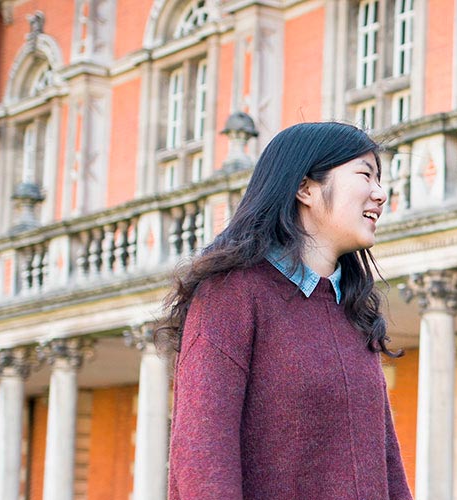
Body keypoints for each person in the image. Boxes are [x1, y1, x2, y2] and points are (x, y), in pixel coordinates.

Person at [161, 122, 410, 499]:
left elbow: (388, 464)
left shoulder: (354, 312)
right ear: (305, 188)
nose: (380, 193)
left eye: (380, 179)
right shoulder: (232, 295)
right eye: (365, 175)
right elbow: (202, 455)